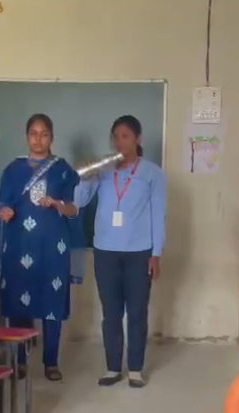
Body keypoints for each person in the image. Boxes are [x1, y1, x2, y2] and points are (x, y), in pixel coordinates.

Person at [75, 115, 166, 388]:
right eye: (115, 136)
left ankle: (135, 368)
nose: (119, 141)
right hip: (105, 251)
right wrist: (86, 176)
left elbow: (159, 214)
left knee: (137, 311)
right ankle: (113, 367)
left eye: (125, 136)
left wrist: (156, 253)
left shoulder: (152, 173)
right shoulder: (103, 171)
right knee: (111, 312)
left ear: (137, 139)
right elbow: (79, 202)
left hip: (139, 252)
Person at [0, 113, 81, 381]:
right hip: (19, 247)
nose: (38, 139)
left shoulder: (63, 169)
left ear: (52, 137)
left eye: (44, 134)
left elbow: (74, 209)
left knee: (51, 304)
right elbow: (1, 203)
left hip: (52, 247)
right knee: (19, 305)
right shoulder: (13, 170)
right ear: (26, 136)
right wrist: (4, 211)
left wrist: (56, 204)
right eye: (33, 133)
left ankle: (50, 362)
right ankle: (19, 361)